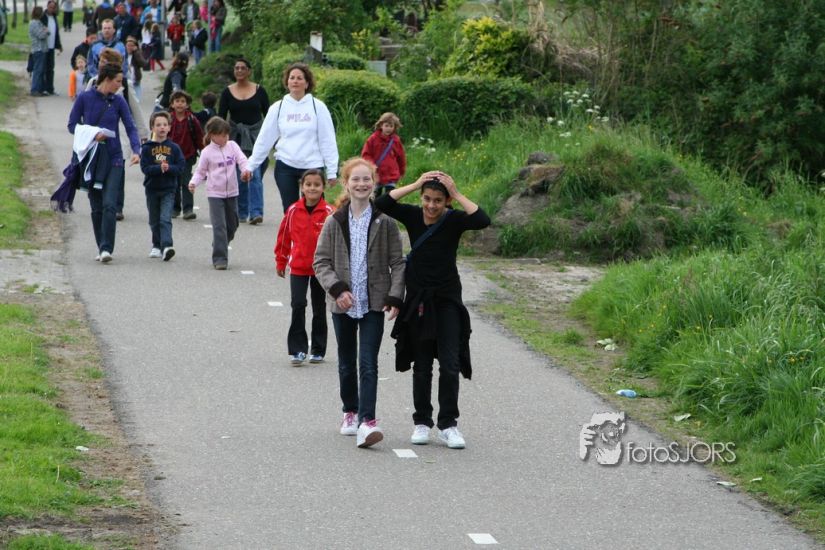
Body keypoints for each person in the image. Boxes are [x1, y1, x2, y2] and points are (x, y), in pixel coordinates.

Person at [374, 172, 491, 449]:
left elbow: (482, 219)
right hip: (419, 302)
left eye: (438, 200)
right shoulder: (413, 216)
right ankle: (422, 422)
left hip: (447, 300)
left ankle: (448, 424)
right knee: (422, 365)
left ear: (446, 201)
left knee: (450, 364)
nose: (431, 205)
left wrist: (457, 193)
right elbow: (382, 203)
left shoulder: (454, 220)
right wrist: (416, 184)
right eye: (426, 199)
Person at [312, 157, 405, 449]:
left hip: (374, 303)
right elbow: (321, 261)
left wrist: (395, 296)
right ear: (346, 183)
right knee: (346, 362)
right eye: (356, 179)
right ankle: (350, 411)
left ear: (374, 184)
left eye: (367, 179)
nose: (361, 184)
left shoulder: (385, 222)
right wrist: (338, 290)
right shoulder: (334, 221)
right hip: (343, 304)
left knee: (368, 363)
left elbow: (398, 263)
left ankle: (368, 421)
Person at [68, 63, 141, 263]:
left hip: (114, 158)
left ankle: (107, 248)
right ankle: (101, 246)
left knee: (110, 204)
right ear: (107, 79)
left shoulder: (118, 101)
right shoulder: (84, 98)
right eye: (118, 81)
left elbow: (130, 126)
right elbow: (72, 125)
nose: (120, 85)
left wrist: (136, 150)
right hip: (91, 159)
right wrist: (92, 134)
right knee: (96, 206)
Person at [246, 62, 339, 216]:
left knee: (315, 211)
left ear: (307, 83)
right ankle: (293, 233)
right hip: (286, 165)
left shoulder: (318, 107)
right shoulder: (278, 108)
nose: (295, 81)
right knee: (291, 211)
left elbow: (327, 140)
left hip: (312, 165)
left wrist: (332, 171)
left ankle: (315, 233)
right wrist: (251, 165)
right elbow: (265, 139)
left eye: (299, 78)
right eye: (292, 78)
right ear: (287, 82)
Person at [275, 170, 334, 365]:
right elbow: (284, 237)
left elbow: (338, 242)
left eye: (317, 184)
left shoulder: (330, 212)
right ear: (302, 187)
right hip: (298, 267)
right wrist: (281, 261)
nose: (312, 188)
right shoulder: (293, 210)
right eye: (308, 184)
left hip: (322, 269)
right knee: (298, 305)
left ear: (323, 187)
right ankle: (298, 350)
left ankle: (318, 349)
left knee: (319, 308)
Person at [84, 47, 149, 220]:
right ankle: (101, 202)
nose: (101, 65)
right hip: (96, 134)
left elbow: (136, 110)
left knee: (118, 171)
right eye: (100, 61)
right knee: (97, 168)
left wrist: (143, 134)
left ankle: (117, 207)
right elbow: (85, 108)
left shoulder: (124, 85)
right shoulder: (92, 82)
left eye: (105, 62)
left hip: (119, 135)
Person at [188, 117, 250, 270]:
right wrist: (193, 183)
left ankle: (219, 242)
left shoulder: (232, 146)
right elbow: (200, 172)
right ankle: (220, 258)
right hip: (215, 194)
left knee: (233, 224)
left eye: (226, 135)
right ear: (212, 135)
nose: (225, 138)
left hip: (232, 192)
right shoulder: (207, 152)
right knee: (219, 226)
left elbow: (242, 160)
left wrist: (246, 170)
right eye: (222, 135)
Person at [217, 58, 269, 224]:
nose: (239, 70)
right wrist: (219, 139)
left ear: (249, 71)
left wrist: (271, 139)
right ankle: (242, 212)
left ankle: (256, 213)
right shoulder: (227, 92)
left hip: (256, 138)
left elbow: (269, 116)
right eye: (236, 68)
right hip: (235, 138)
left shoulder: (260, 91)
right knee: (240, 176)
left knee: (255, 174)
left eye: (243, 68)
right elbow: (221, 117)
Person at [140, 111, 185, 261]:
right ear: (152, 128)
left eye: (165, 125)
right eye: (158, 125)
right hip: (152, 189)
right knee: (154, 220)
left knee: (165, 218)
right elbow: (145, 168)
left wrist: (169, 168)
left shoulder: (174, 148)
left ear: (169, 127)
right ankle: (156, 245)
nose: (162, 127)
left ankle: (167, 246)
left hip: (169, 189)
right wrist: (158, 168)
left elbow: (180, 166)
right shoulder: (147, 148)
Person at [167, 90, 203, 219]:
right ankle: (175, 208)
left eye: (183, 101)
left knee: (186, 181)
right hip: (170, 156)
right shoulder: (168, 119)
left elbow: (199, 137)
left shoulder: (192, 119)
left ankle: (188, 209)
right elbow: (160, 134)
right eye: (177, 101)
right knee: (174, 182)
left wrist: (204, 151)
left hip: (188, 155)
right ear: (172, 104)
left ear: (187, 105)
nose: (180, 104)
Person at [361, 112, 406, 197]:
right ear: (381, 125)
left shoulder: (396, 140)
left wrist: (402, 171)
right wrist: (372, 166)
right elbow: (366, 154)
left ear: (394, 127)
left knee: (389, 197)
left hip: (391, 175)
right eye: (386, 126)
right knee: (376, 197)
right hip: (377, 174)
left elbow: (401, 157)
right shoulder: (373, 139)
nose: (388, 128)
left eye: (391, 126)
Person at [40, 0, 62, 96]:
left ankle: (50, 88)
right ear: (47, 6)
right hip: (44, 47)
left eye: (53, 8)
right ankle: (43, 88)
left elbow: (56, 33)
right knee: (43, 68)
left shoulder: (54, 17)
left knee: (50, 68)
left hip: (51, 46)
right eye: (50, 7)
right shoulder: (43, 17)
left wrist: (59, 45)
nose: (52, 9)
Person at [28, 6, 49, 97]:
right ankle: (34, 89)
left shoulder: (39, 22)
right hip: (38, 49)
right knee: (37, 70)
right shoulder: (34, 23)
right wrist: (46, 31)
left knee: (41, 71)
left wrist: (45, 31)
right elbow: (41, 35)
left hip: (42, 49)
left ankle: (40, 89)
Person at [124, 37, 146, 101]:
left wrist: (136, 52)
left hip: (135, 80)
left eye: (132, 46)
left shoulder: (137, 54)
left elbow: (143, 64)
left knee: (137, 100)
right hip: (126, 80)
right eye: (128, 45)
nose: (129, 47)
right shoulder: (123, 55)